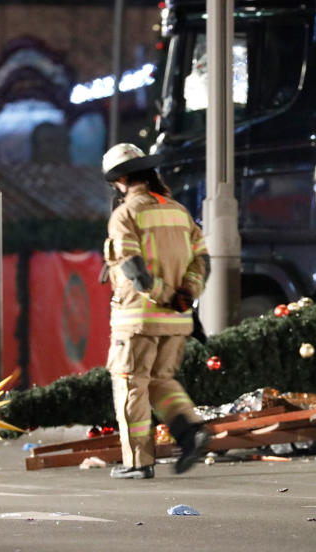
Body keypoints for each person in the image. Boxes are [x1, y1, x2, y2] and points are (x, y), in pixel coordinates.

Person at [101, 142, 211, 479]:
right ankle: (190, 429)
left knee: (131, 385)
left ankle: (138, 462)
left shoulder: (126, 214)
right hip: (175, 320)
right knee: (162, 380)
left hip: (137, 318)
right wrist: (186, 295)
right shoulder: (178, 211)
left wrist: (162, 294)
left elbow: (134, 268)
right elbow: (202, 261)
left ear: (120, 180)